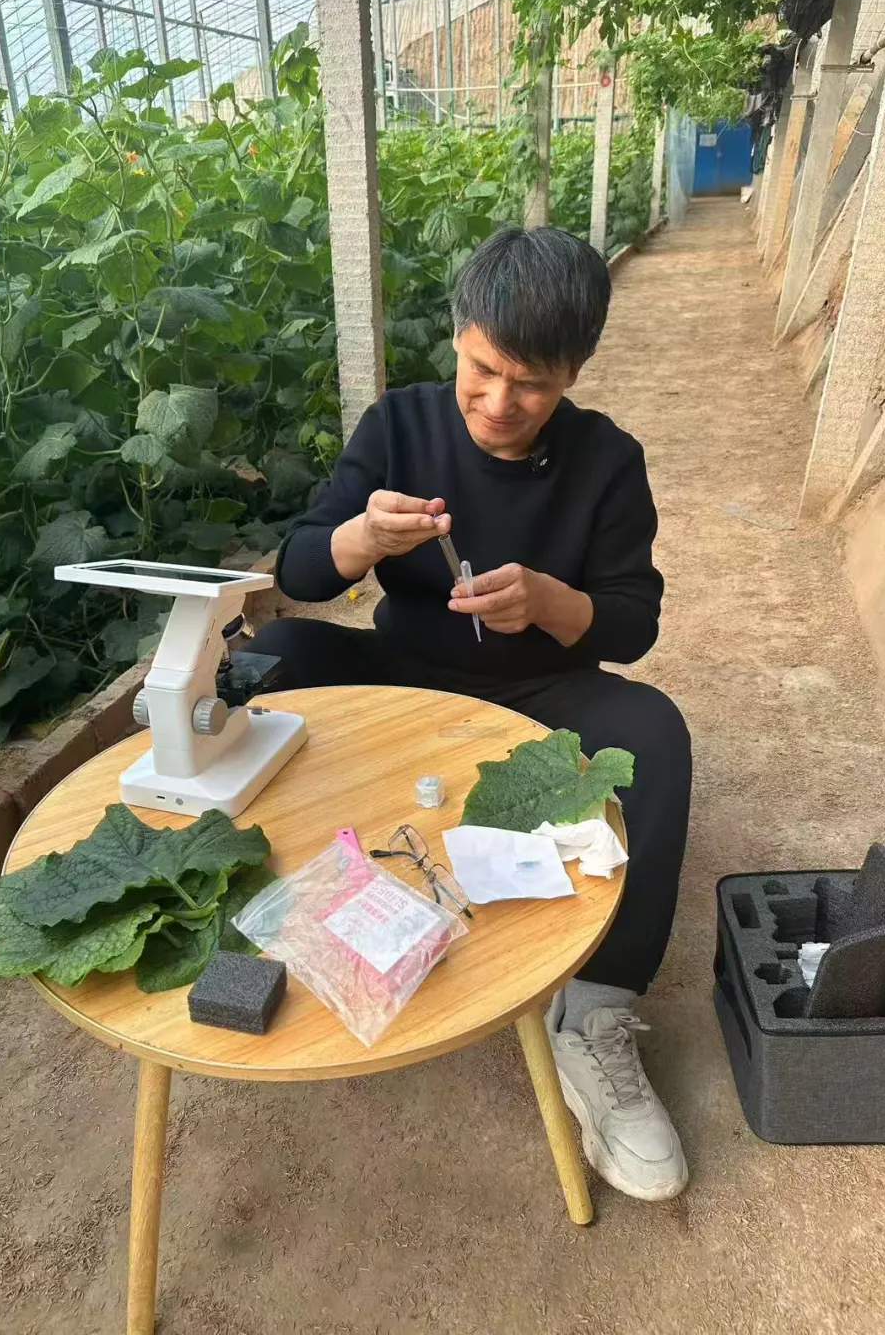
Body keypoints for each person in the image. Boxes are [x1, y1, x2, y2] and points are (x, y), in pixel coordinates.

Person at [248, 226, 692, 1202]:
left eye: (532, 384)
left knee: (655, 733)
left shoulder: (608, 461)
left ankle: (598, 1019)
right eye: (482, 370)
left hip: (545, 690)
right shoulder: (401, 428)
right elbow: (298, 569)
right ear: (459, 339)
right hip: (406, 676)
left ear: (575, 371)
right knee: (271, 659)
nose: (499, 404)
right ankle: (274, 909)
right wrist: (361, 538)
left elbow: (632, 622)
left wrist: (548, 602)